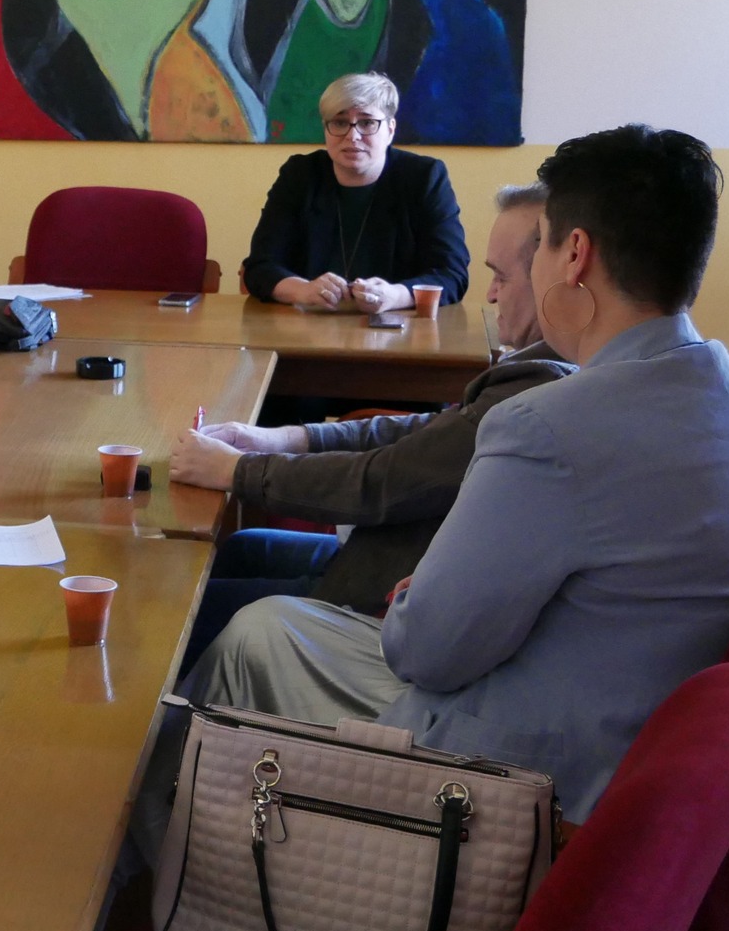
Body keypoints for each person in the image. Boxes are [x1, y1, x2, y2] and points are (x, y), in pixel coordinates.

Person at [183, 124, 729, 824]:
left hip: (528, 781)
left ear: (574, 254)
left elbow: (427, 652)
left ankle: (179, 851)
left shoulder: (552, 426)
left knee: (254, 638)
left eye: (538, 245)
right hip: (672, 773)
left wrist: (420, 593)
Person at [166, 184, 572, 666]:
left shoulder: (540, 388)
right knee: (240, 550)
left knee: (176, 612)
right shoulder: (538, 365)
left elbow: (380, 482)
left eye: (501, 276)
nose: (489, 293)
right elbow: (428, 432)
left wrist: (237, 470)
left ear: (558, 272)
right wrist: (285, 437)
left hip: (381, 603)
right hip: (381, 556)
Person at [242, 72, 468, 314]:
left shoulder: (424, 177)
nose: (352, 136)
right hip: (309, 326)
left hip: (399, 328)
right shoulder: (299, 175)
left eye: (367, 123)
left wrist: (395, 296)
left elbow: (451, 273)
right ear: (326, 129)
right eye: (340, 123)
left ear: (390, 130)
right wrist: (303, 290)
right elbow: (260, 267)